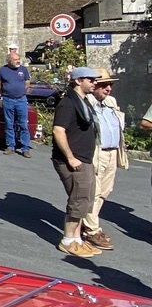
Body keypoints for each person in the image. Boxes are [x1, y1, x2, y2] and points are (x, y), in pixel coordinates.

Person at [51, 68, 101, 257]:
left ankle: (77, 239)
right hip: (73, 160)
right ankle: (67, 240)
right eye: (91, 79)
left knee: (85, 200)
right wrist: (70, 157)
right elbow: (58, 131)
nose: (95, 83)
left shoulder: (83, 102)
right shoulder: (68, 104)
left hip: (84, 159)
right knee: (78, 200)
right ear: (78, 81)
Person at [80, 69, 128, 250]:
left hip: (112, 152)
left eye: (110, 85)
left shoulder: (110, 102)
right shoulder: (87, 103)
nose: (109, 89)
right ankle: (92, 230)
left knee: (106, 191)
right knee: (94, 192)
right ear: (94, 85)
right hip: (96, 152)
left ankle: (87, 222)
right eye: (104, 85)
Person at [0, 47, 32, 157]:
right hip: (8, 100)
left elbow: (27, 83)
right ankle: (10, 146)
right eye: (15, 59)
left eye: (18, 59)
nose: (18, 61)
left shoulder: (23, 70)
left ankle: (25, 148)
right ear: (9, 61)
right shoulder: (2, 70)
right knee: (9, 124)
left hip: (21, 100)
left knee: (23, 124)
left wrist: (21, 92)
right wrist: (6, 92)